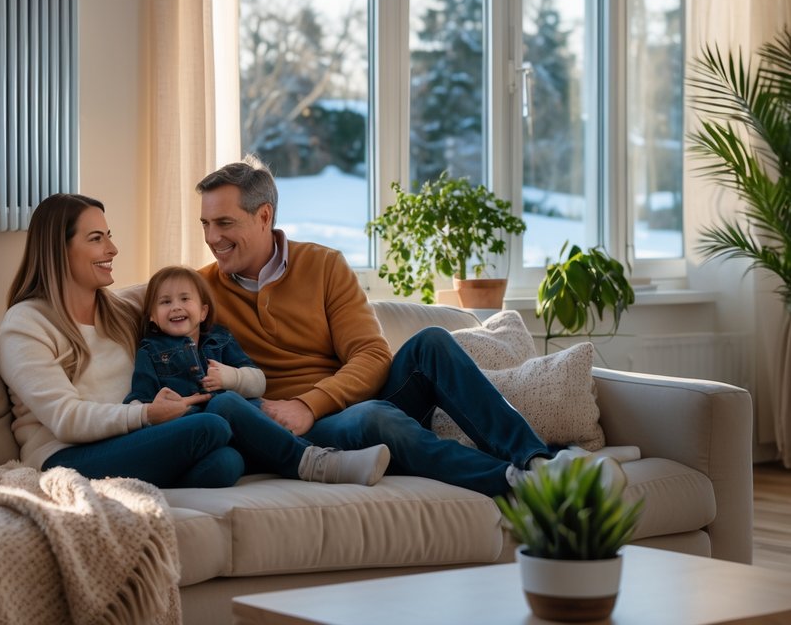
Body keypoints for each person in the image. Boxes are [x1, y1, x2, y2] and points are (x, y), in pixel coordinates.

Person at [194, 156, 625, 497]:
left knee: (432, 342)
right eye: (206, 225)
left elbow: (372, 355)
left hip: (327, 405)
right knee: (377, 417)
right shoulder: (200, 291)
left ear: (264, 216)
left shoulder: (323, 265)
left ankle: (535, 461)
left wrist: (310, 402)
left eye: (224, 223)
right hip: (299, 431)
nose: (212, 238)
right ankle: (517, 483)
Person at [0, 193, 243, 488]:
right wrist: (147, 414)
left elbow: (186, 297)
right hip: (66, 455)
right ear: (59, 249)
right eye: (97, 239)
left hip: (132, 442)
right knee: (209, 427)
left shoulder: (121, 312)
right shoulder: (25, 324)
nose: (112, 249)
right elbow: (66, 419)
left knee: (226, 464)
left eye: (108, 237)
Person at [125, 265, 391, 485]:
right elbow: (137, 401)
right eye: (165, 302)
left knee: (228, 412)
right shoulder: (150, 351)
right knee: (225, 465)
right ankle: (309, 460)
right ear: (152, 317)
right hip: (194, 431)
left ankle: (314, 462)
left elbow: (258, 382)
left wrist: (231, 378)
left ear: (203, 311)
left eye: (185, 299)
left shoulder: (220, 339)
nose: (175, 307)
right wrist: (152, 410)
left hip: (242, 430)